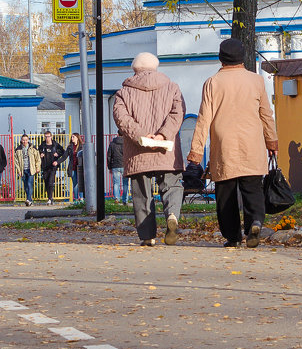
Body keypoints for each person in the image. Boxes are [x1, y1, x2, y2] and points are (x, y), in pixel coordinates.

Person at [187, 38, 278, 248]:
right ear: (242, 57)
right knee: (252, 187)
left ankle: (233, 237)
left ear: (221, 59)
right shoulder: (256, 81)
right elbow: (266, 114)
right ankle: (255, 221)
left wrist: (196, 152)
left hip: (224, 142)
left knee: (225, 192)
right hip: (252, 142)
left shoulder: (212, 83)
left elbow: (203, 119)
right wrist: (271, 142)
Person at [112, 52, 186, 246]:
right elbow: (178, 114)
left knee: (141, 193)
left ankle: (147, 236)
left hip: (138, 151)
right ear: (156, 67)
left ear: (134, 69)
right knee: (172, 185)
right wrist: (162, 135)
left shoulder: (123, 92)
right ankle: (172, 214)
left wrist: (142, 137)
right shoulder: (172, 88)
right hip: (166, 150)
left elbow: (122, 118)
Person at [13, 134, 40, 207]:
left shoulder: (33, 148)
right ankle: (30, 201)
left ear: (28, 140)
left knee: (29, 184)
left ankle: (28, 199)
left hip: (31, 169)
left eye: (26, 140)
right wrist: (18, 170)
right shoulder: (18, 149)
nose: (24, 141)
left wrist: (37, 167)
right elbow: (16, 161)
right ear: (21, 140)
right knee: (25, 186)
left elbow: (38, 158)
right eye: (23, 140)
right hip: (22, 169)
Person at [38, 131, 65, 205]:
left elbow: (63, 152)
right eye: (46, 136)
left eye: (48, 136)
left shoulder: (55, 144)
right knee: (46, 182)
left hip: (53, 166)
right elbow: (37, 152)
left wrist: (58, 155)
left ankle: (50, 199)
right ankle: (50, 198)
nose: (47, 138)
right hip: (45, 166)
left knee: (50, 182)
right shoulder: (42, 145)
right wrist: (40, 154)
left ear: (51, 136)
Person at [107, 134, 128, 204]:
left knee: (116, 183)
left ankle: (117, 198)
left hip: (115, 166)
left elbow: (109, 156)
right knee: (125, 183)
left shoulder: (112, 144)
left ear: (117, 134)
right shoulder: (126, 143)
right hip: (124, 165)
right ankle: (125, 200)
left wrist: (109, 166)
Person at [65, 133, 85, 201]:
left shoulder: (82, 146)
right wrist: (57, 162)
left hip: (80, 167)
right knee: (75, 183)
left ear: (77, 138)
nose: (72, 138)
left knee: (81, 183)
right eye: (71, 137)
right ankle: (76, 198)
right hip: (72, 168)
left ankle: (81, 198)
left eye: (73, 137)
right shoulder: (70, 147)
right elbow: (65, 156)